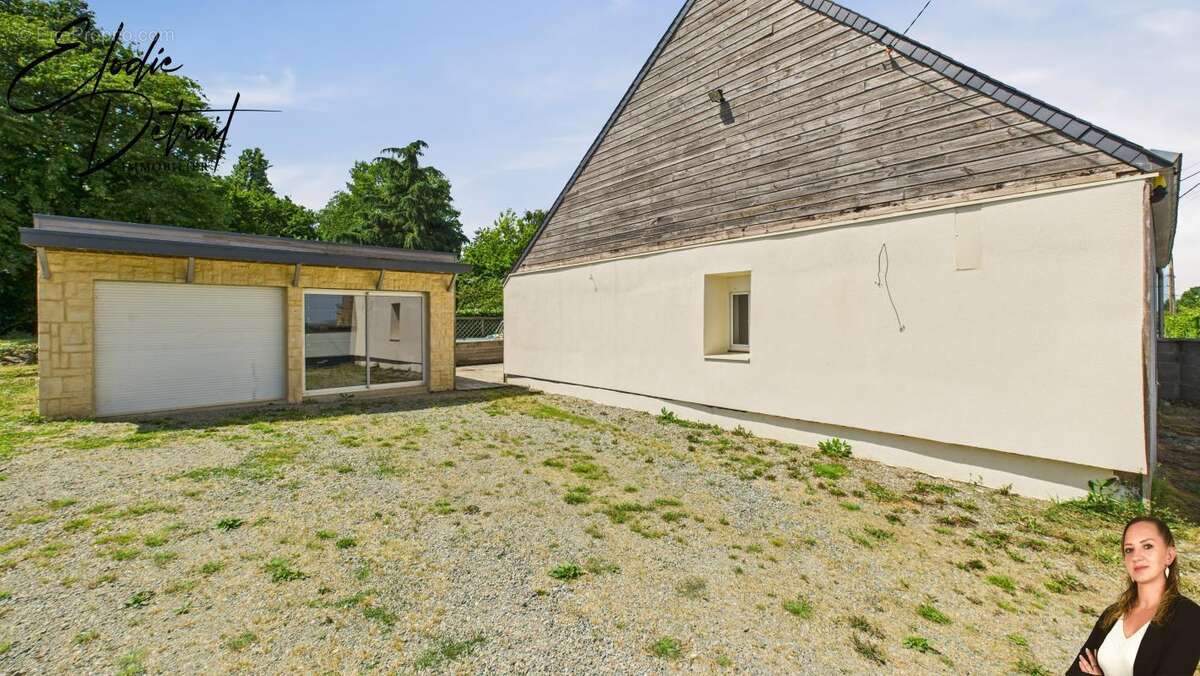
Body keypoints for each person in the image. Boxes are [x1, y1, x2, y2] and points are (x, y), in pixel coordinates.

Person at [1068, 515, 1199, 675]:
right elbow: (1076, 672)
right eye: (1129, 550)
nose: (1136, 557)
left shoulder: (1189, 617)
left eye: (1148, 546)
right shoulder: (1112, 614)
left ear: (1169, 556)